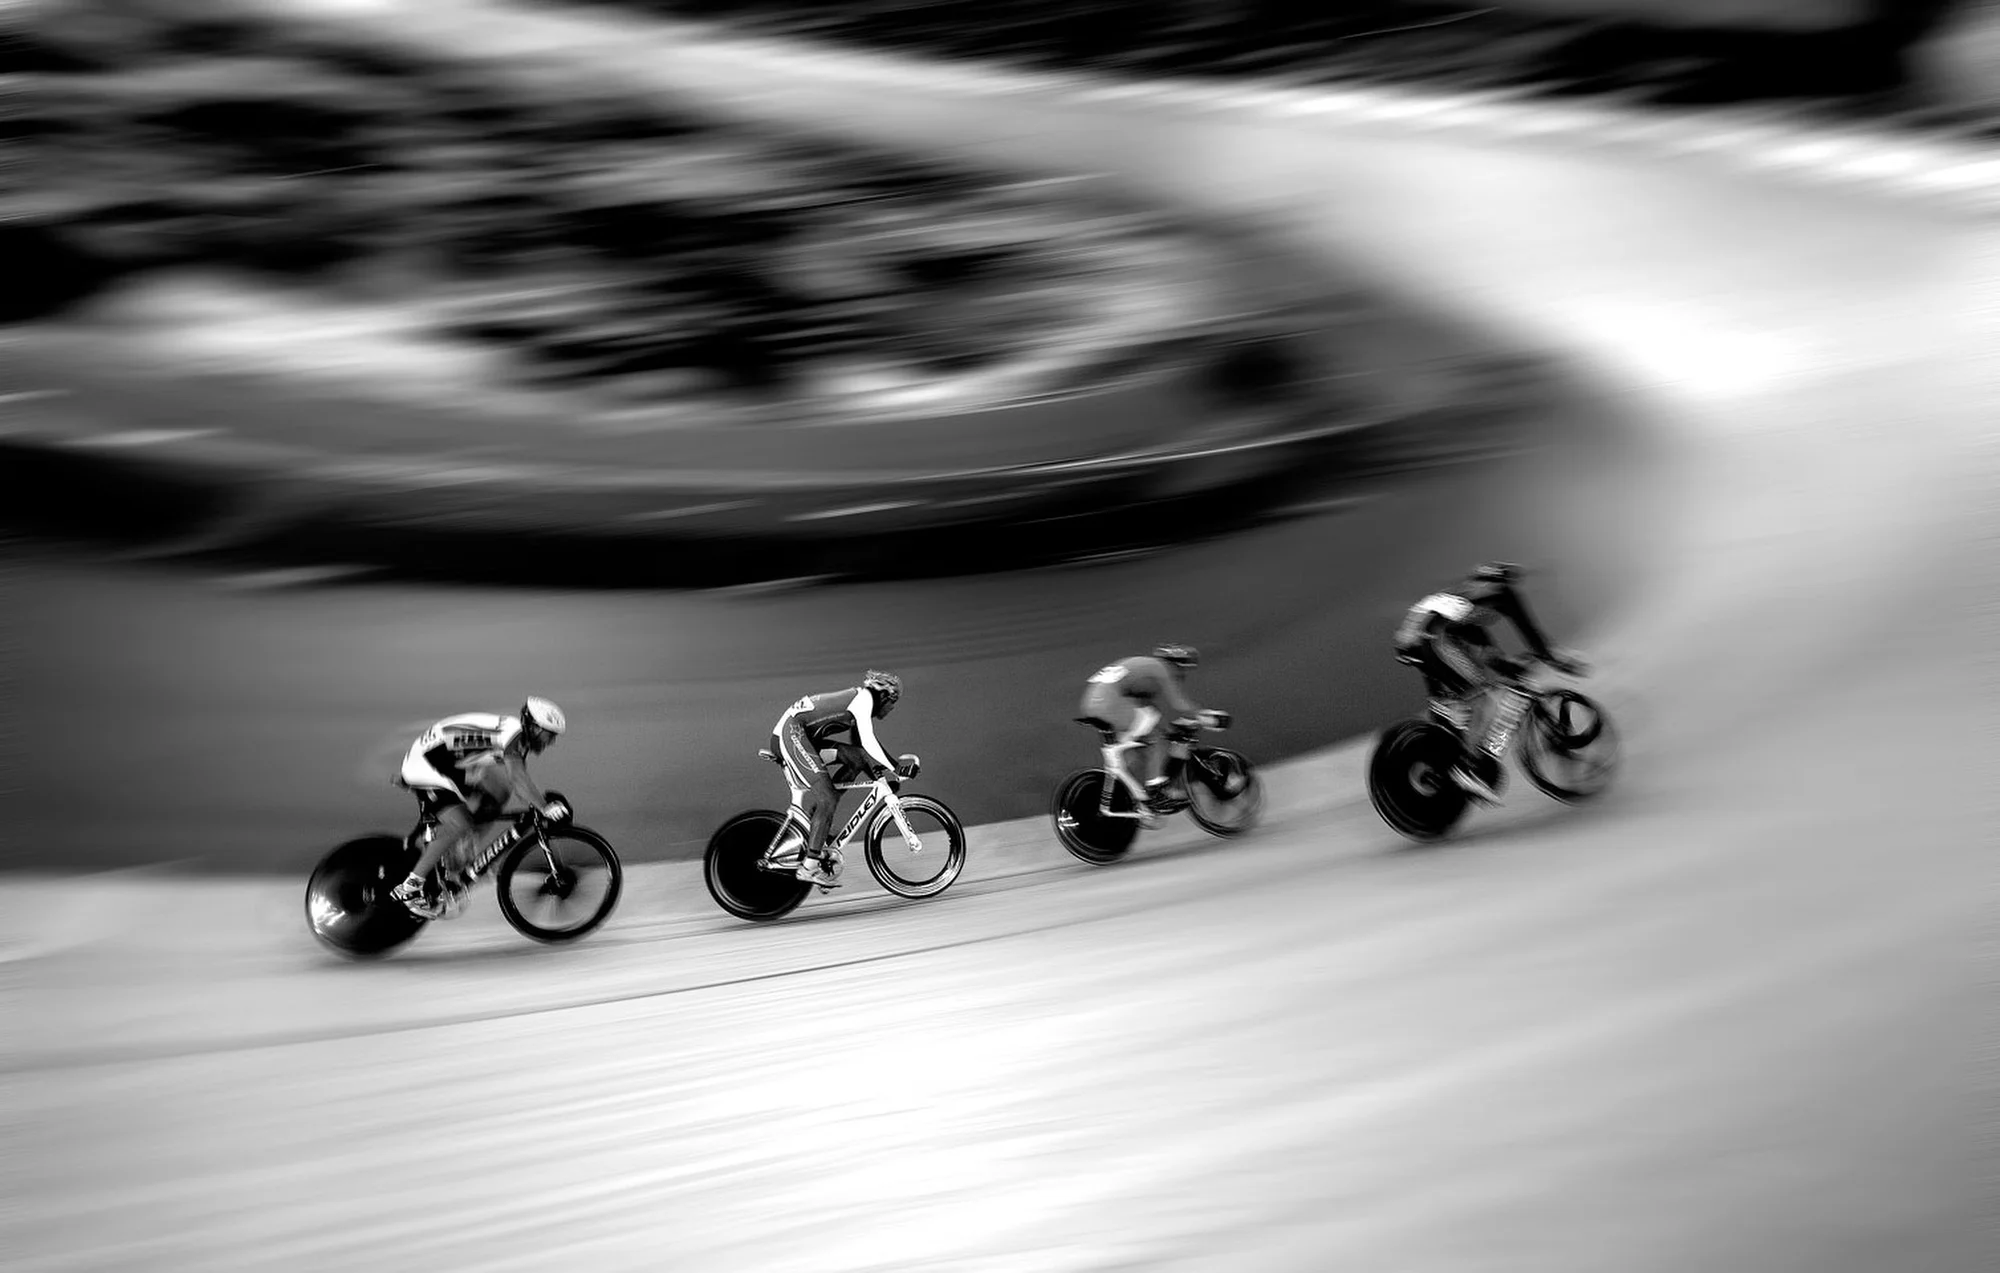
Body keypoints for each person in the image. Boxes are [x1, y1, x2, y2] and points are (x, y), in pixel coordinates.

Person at [1393, 562, 1587, 802]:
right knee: (1483, 696)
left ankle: (1444, 744)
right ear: (1504, 582)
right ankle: (1470, 768)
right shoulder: (1502, 594)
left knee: (1460, 700)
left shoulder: (1464, 597)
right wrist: (1558, 660)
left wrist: (1506, 666)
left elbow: (1483, 649)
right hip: (1433, 638)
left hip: (1410, 642)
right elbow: (1534, 637)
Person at [391, 696, 568, 918]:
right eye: (549, 735)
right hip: (427, 765)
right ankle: (410, 887)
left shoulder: (516, 736)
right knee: (460, 823)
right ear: (533, 728)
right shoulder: (513, 739)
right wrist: (544, 807)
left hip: (451, 763)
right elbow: (519, 781)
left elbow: (515, 782)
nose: (551, 742)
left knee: (499, 792)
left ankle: (462, 849)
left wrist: (540, 803)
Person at [769, 670, 913, 890]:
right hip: (791, 735)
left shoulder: (861, 702)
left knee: (855, 759)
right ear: (885, 696)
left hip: (802, 735)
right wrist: (896, 767)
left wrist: (886, 774)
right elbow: (870, 741)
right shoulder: (864, 700)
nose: (892, 709)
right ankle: (808, 867)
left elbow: (864, 752)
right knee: (827, 798)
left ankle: (820, 821)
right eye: (893, 703)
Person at [1077, 645, 1220, 827]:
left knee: (1135, 751)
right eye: (1183, 669)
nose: (1181, 675)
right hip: (1110, 703)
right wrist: (1207, 715)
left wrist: (1172, 730)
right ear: (1177, 664)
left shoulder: (1143, 672)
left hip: (1093, 703)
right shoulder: (1162, 668)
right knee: (1155, 739)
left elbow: (1150, 712)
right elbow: (1179, 702)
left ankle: (1133, 799)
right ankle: (1156, 793)